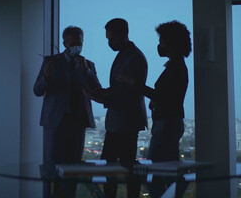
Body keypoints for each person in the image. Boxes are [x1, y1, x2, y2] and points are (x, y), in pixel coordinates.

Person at [118, 20, 191, 197]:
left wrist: (133, 82)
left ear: (171, 44)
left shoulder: (175, 68)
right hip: (170, 122)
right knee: (169, 169)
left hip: (166, 124)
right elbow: (168, 97)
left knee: (155, 171)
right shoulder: (176, 67)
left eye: (162, 41)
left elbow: (163, 97)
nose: (159, 45)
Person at [33, 26, 101, 198]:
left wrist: (86, 70)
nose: (77, 47)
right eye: (73, 43)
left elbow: (97, 90)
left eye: (80, 43)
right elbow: (37, 90)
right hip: (55, 123)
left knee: (74, 167)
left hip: (77, 123)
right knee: (52, 167)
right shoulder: (51, 62)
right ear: (64, 43)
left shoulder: (88, 64)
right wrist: (46, 78)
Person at [88, 18, 148, 198]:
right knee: (115, 166)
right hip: (120, 122)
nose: (109, 43)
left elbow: (129, 95)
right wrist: (102, 93)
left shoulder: (133, 57)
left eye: (112, 39)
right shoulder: (128, 54)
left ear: (124, 35)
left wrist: (98, 98)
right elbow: (120, 90)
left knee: (119, 167)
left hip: (125, 122)